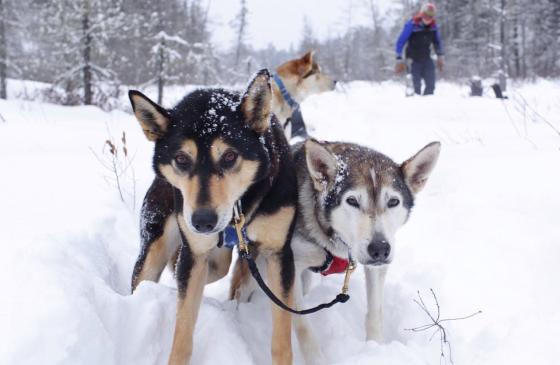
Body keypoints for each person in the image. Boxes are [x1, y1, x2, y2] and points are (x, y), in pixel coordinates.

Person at [395, 3, 444, 95]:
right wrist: (399, 58)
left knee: (431, 86)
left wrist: (440, 56)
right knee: (415, 88)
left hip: (426, 58)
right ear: (422, 13)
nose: (428, 18)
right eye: (426, 15)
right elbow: (401, 41)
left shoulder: (433, 26)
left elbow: (437, 42)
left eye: (430, 16)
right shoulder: (412, 24)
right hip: (412, 59)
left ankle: (427, 105)